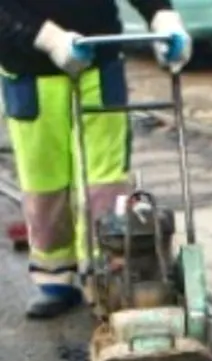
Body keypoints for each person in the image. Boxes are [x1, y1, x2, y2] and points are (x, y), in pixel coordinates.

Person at [0, 0, 192, 318]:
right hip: (30, 71)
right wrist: (50, 39)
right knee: (45, 180)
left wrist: (162, 17)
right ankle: (54, 276)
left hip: (98, 64)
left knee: (105, 180)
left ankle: (109, 272)